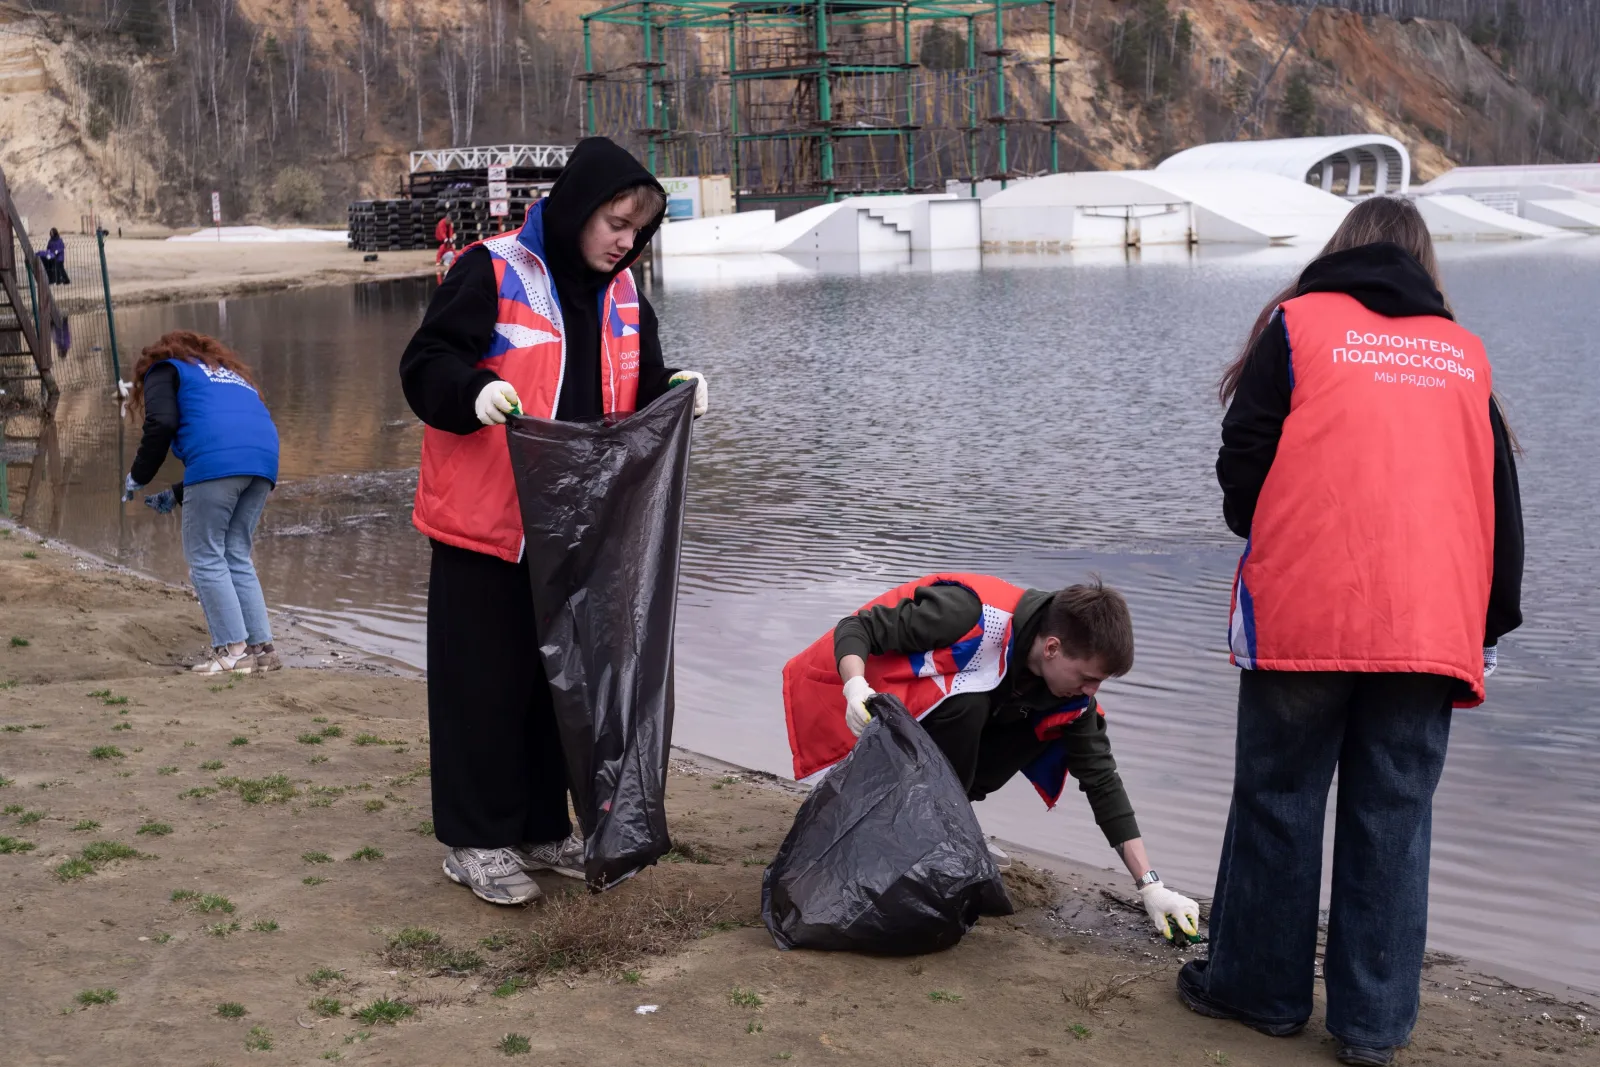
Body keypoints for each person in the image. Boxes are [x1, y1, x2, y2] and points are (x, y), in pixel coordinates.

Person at [1176, 197, 1524, 1066]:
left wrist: (1286, 531)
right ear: (1424, 263)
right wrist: (1490, 620)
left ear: (1341, 249)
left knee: (1278, 799)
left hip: (1305, 611)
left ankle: (1260, 992)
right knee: (1394, 817)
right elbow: (1501, 505)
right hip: (1429, 623)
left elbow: (1242, 456)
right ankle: (1372, 1027)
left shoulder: (1296, 325)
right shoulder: (1463, 353)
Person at [399, 137, 710, 907]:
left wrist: (677, 387)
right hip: (487, 526)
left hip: (573, 534)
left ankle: (541, 827)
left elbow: (641, 382)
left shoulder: (626, 295)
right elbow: (425, 361)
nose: (624, 241)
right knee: (483, 688)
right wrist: (471, 392)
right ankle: (474, 840)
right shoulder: (492, 268)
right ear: (577, 208)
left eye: (637, 231)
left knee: (554, 687)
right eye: (614, 222)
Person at [782, 573, 1202, 942]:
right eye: (1088, 677)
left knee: (1047, 725)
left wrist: (1150, 886)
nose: (1092, 691)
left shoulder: (1075, 701)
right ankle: (920, 827)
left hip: (941, 750)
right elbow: (856, 627)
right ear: (1053, 648)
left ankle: (946, 823)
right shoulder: (966, 614)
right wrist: (855, 687)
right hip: (868, 711)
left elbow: (1103, 783)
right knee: (970, 706)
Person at [124, 330, 284, 675]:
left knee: (206, 557)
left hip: (221, 464)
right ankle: (262, 650)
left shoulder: (165, 369)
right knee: (236, 554)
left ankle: (234, 652)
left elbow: (162, 422)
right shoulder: (230, 376)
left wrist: (138, 474)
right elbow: (229, 442)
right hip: (264, 462)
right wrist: (177, 493)